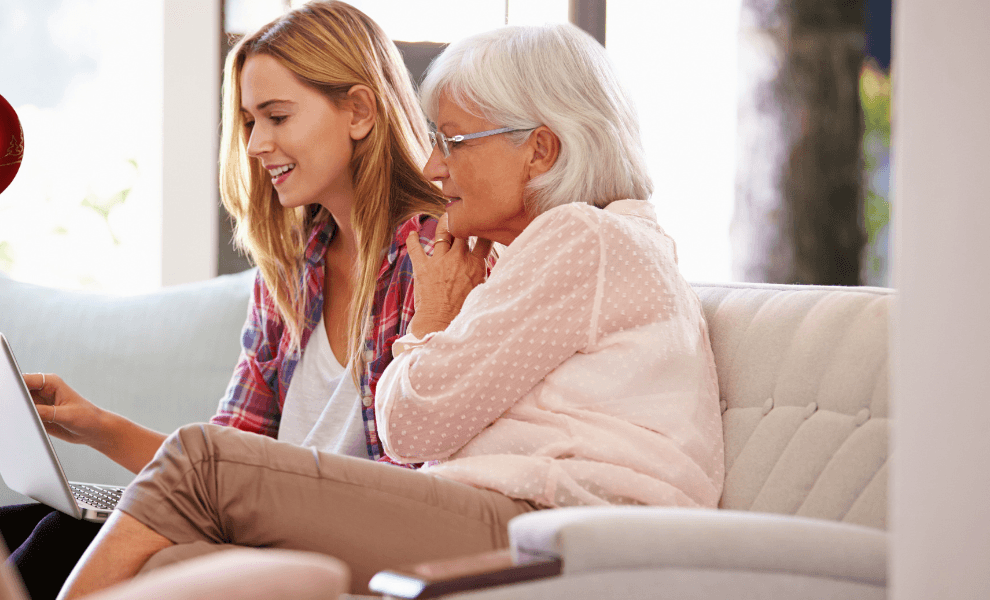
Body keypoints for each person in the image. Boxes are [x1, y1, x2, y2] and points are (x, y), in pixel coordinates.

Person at [57, 22, 725, 600]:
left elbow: (411, 425)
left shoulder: (584, 239)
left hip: (553, 532)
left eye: (456, 141)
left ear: (540, 150)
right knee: (181, 564)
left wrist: (430, 318)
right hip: (516, 519)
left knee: (199, 461)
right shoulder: (534, 255)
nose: (434, 166)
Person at [0, 2, 446, 598]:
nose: (256, 144)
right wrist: (97, 426)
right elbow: (220, 462)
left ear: (359, 110)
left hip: (346, 537)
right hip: (260, 523)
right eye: (250, 121)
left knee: (57, 543)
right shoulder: (290, 272)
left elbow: (421, 477)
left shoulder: (436, 256)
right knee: (9, 526)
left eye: (277, 117)